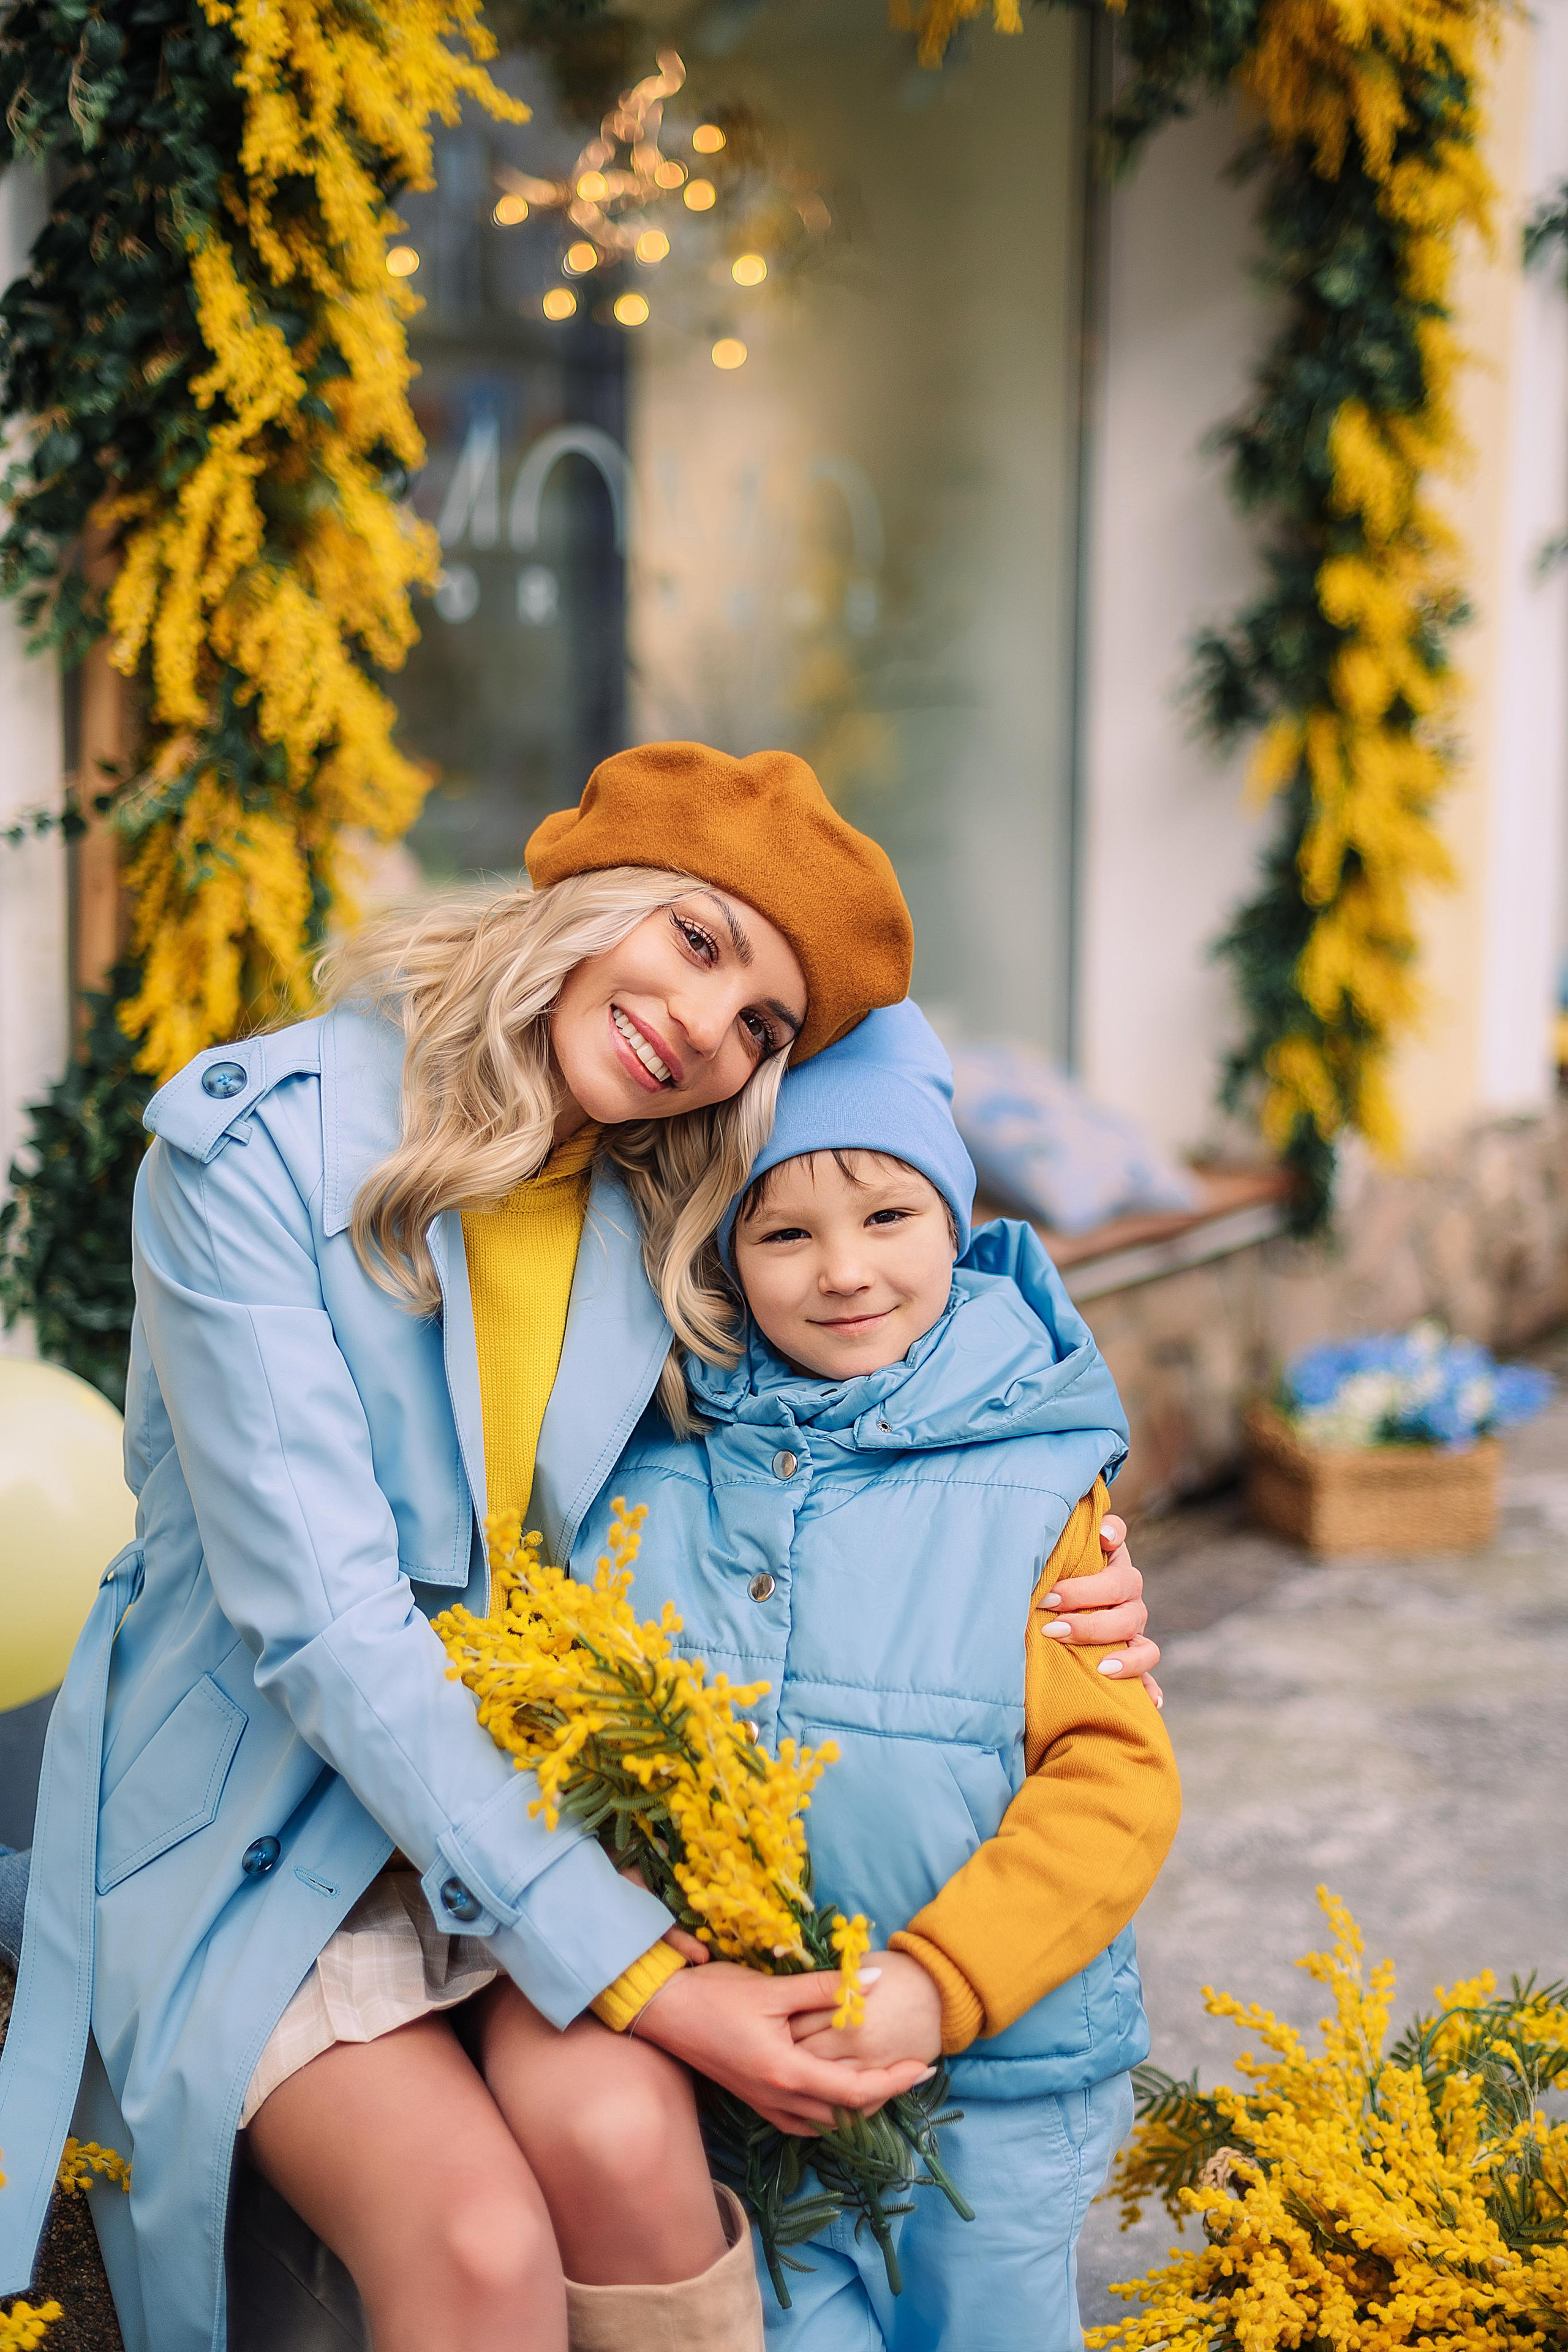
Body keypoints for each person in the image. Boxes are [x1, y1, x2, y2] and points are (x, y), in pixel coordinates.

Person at [0, 743, 1159, 2352]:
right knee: (473, 2248)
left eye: (760, 1021)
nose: (704, 1027)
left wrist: (1057, 1568)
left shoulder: (671, 1195)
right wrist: (646, 1978)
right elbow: (329, 1631)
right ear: (586, 897)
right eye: (696, 941)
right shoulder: (253, 1151)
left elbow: (861, 1422)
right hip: (272, 1826)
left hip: (541, 1823)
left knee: (627, 2146)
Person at [552, 1000, 1182, 2348]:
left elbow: (1111, 1782)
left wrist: (937, 1982)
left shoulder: (1034, 1485)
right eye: (784, 1232)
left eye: (887, 1218)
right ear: (723, 1257)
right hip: (749, 2094)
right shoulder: (646, 1474)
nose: (841, 1270)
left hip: (992, 2094)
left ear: (954, 1226)